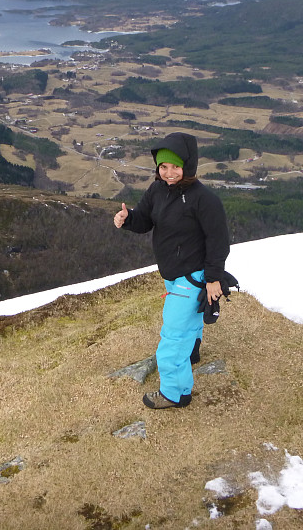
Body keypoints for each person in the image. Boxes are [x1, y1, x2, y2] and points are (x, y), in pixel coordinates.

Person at [113, 132, 230, 409]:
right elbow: (144, 220)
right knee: (186, 327)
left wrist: (213, 279)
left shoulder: (205, 200)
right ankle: (192, 352)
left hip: (193, 277)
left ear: (187, 165)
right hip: (172, 276)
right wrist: (128, 218)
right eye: (163, 167)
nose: (168, 173)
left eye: (175, 166)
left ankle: (175, 393)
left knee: (173, 337)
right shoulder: (157, 191)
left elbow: (218, 242)